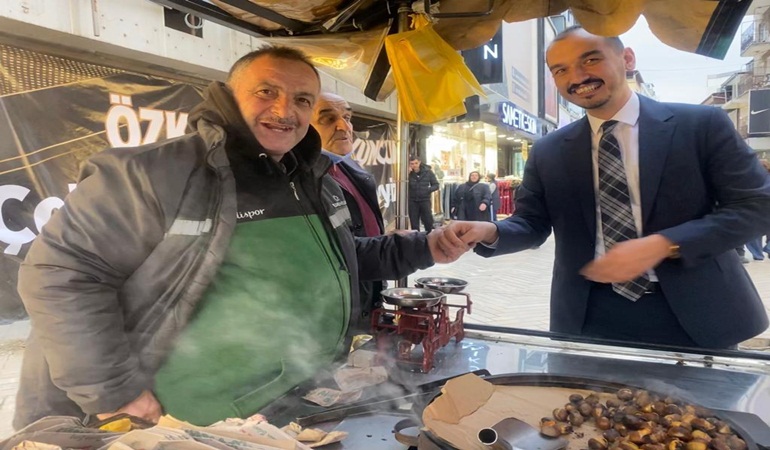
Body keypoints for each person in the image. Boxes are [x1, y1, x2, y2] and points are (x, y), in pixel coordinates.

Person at [14, 46, 468, 429]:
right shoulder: (149, 173)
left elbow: (342, 259)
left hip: (285, 404)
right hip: (180, 418)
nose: (285, 110)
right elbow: (59, 276)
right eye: (266, 92)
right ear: (230, 97)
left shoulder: (310, 177)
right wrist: (114, 391)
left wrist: (425, 247)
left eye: (302, 99)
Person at [436, 26, 770, 349]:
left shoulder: (700, 126)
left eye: (590, 60)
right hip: (589, 315)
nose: (577, 77)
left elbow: (757, 206)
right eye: (560, 69)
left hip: (697, 311)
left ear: (627, 59)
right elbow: (532, 224)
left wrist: (663, 244)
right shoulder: (549, 150)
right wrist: (489, 231)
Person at [311, 92, 386, 326]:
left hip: (369, 288)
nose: (344, 126)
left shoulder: (347, 166)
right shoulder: (301, 181)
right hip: (338, 305)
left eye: (347, 117)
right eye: (327, 119)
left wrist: (388, 242)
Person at [408, 155, 439, 232]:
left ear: (419, 163)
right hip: (413, 200)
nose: (414, 165)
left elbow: (436, 185)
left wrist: (427, 190)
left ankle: (429, 236)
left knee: (428, 220)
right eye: (412, 163)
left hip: (425, 200)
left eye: (416, 163)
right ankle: (416, 238)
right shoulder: (408, 174)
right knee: (414, 221)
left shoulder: (428, 172)